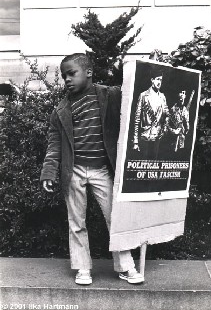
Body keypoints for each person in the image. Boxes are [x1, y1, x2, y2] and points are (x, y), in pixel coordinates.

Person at [40, 53, 144, 285]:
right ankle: (82, 267)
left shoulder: (109, 95)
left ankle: (126, 266)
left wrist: (147, 70)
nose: (67, 79)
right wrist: (49, 172)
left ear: (88, 72)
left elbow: (135, 94)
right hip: (73, 171)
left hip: (103, 170)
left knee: (116, 219)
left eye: (72, 73)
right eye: (64, 75)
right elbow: (54, 143)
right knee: (76, 222)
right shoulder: (61, 109)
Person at [133, 68, 169, 160]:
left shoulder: (162, 97)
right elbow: (137, 119)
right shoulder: (143, 96)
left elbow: (167, 115)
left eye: (161, 80)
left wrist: (164, 128)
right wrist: (135, 141)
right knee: (143, 165)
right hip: (145, 136)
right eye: (157, 79)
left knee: (154, 165)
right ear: (152, 80)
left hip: (157, 137)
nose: (159, 82)